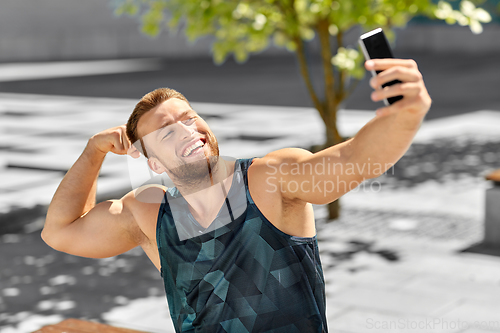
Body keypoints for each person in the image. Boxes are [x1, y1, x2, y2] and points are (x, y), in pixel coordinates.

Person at [42, 59, 431, 332]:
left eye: (188, 116)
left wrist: (406, 114)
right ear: (154, 163)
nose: (186, 129)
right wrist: (93, 151)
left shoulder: (268, 177)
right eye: (166, 131)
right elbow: (59, 231)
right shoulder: (148, 213)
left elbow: (352, 159)